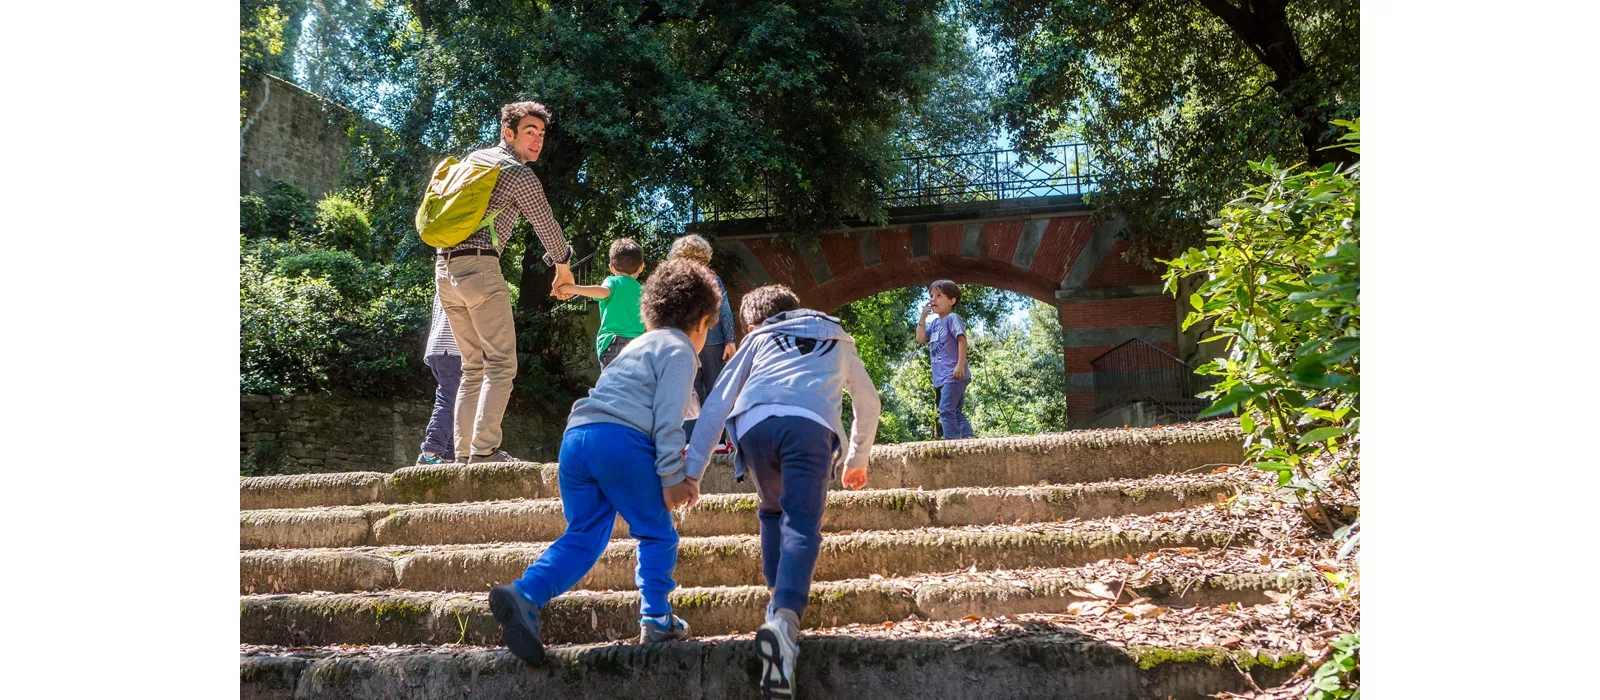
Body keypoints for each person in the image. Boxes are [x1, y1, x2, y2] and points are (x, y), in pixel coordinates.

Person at [488, 258, 723, 665]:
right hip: (620, 442)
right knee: (657, 532)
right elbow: (668, 419)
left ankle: (524, 595)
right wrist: (672, 476)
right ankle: (657, 617)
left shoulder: (638, 345)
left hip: (578, 438)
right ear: (703, 322)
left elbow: (667, 406)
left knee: (585, 536)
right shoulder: (681, 350)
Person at [685, 284, 881, 700]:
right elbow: (868, 400)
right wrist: (858, 458)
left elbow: (718, 401)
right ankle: (784, 624)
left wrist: (692, 471)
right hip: (811, 425)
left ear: (757, 322)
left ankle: (776, 600)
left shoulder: (757, 339)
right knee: (802, 523)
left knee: (773, 509)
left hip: (756, 426)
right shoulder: (838, 337)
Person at [436, 101, 575, 464]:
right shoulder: (517, 173)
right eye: (530, 132)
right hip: (480, 268)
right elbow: (546, 225)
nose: (538, 141)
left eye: (542, 134)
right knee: (501, 364)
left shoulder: (473, 161)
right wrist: (563, 266)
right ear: (508, 133)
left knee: (472, 367)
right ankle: (483, 453)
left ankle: (464, 456)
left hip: (444, 270)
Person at [557, 238, 646, 370]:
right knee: (633, 388)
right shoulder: (643, 290)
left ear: (611, 267)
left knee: (611, 387)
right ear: (641, 267)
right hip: (638, 345)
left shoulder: (613, 282)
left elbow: (603, 292)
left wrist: (572, 288)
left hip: (613, 343)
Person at [915, 279, 973, 439]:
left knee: (946, 409)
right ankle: (968, 437)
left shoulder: (952, 318)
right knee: (954, 410)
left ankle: (952, 442)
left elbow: (962, 340)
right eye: (932, 295)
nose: (933, 299)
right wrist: (923, 317)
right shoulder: (934, 323)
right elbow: (920, 339)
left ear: (951, 300)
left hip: (954, 374)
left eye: (939, 295)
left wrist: (960, 365)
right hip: (943, 377)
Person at [416, 296, 462, 465]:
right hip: (453, 349)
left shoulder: (443, 277)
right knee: (449, 400)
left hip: (437, 348)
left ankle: (449, 454)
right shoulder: (460, 276)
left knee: (456, 400)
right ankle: (431, 450)